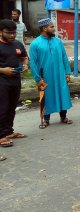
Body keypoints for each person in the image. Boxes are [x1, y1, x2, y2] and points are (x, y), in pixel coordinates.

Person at [29, 18, 73, 128]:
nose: (54, 29)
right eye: (52, 27)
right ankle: (46, 120)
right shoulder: (35, 44)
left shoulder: (58, 41)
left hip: (59, 74)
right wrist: (38, 79)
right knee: (45, 96)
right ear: (44, 28)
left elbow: (64, 57)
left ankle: (63, 117)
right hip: (45, 76)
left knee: (62, 93)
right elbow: (33, 63)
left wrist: (67, 72)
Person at [0, 19, 29, 160]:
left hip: (15, 80)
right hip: (1, 81)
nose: (12, 35)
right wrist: (2, 70)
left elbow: (24, 57)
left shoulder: (18, 44)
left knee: (12, 107)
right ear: (1, 32)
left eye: (13, 33)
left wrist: (25, 65)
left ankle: (8, 131)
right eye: (8, 33)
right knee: (2, 108)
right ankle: (1, 136)